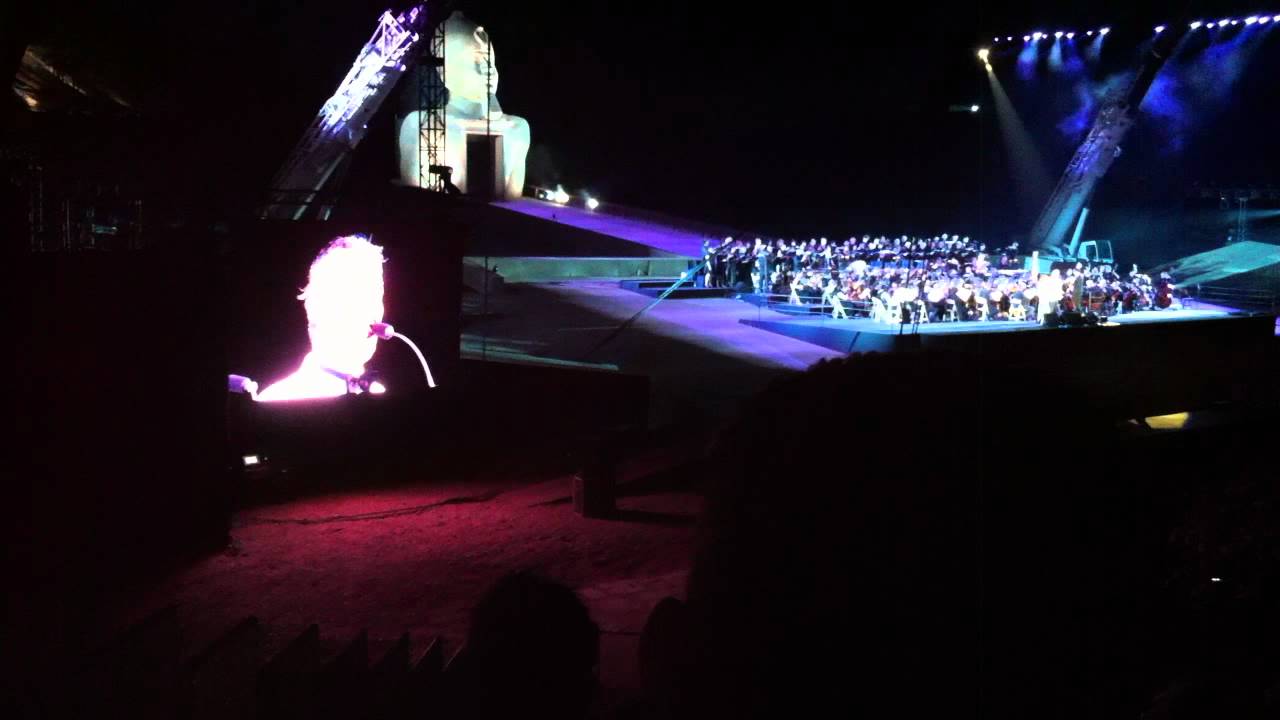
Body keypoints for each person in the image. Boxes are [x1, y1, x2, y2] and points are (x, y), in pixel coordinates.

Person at [255, 235, 388, 402]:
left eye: (374, 296)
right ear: (313, 307)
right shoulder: (280, 399)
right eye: (352, 296)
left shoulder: (380, 395)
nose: (371, 314)